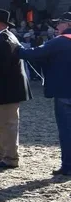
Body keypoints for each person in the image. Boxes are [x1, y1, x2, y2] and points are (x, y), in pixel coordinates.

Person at [17, 11, 71, 177]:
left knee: (66, 130)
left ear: (68, 24)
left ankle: (68, 166)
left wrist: (16, 46)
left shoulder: (59, 42)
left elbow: (30, 53)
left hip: (64, 92)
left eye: (60, 23)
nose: (56, 26)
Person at [0, 8, 30, 171]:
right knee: (0, 122)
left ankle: (10, 157)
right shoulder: (3, 38)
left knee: (7, 124)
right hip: (7, 89)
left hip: (8, 89)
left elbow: (0, 68)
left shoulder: (3, 41)